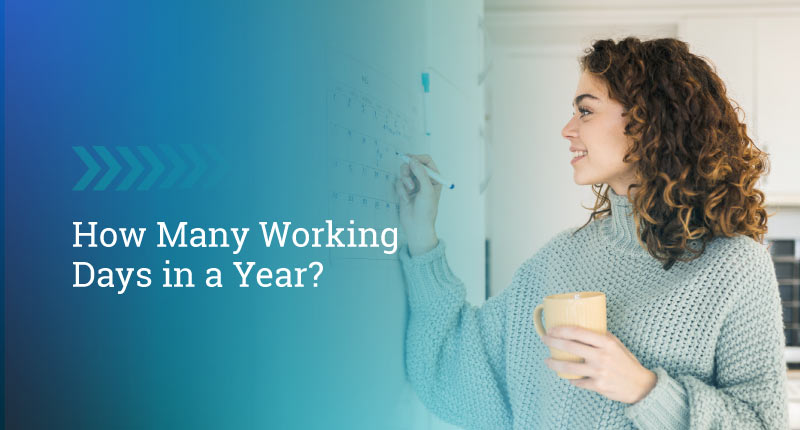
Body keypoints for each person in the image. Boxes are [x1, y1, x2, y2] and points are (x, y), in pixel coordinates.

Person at [393, 37, 788, 429]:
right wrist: (421, 237)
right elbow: (452, 366)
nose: (567, 129)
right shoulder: (559, 258)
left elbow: (761, 423)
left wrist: (645, 389)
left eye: (586, 111)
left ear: (649, 121)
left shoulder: (736, 267)